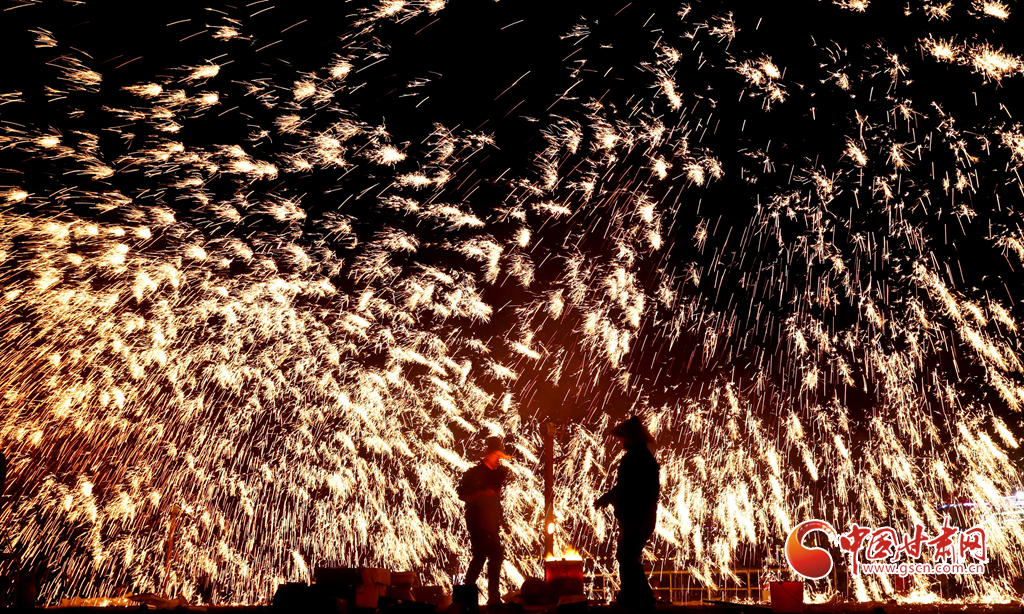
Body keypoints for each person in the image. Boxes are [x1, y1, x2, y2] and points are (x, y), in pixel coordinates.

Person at [594, 416, 660, 609]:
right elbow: (624, 487)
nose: (620, 442)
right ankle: (631, 595)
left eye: (622, 438)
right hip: (636, 517)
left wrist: (617, 502)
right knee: (625, 555)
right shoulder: (640, 458)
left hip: (637, 518)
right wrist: (608, 498)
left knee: (627, 556)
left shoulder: (638, 460)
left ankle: (640, 597)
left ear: (630, 438)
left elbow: (632, 489)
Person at [458, 436, 511, 606]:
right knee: (480, 557)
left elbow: (496, 501)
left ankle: (493, 598)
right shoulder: (474, 474)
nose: (499, 460)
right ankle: (467, 599)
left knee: (495, 557)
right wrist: (480, 495)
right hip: (478, 523)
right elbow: (462, 494)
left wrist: (502, 522)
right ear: (488, 455)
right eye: (497, 456)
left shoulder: (496, 476)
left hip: (491, 524)